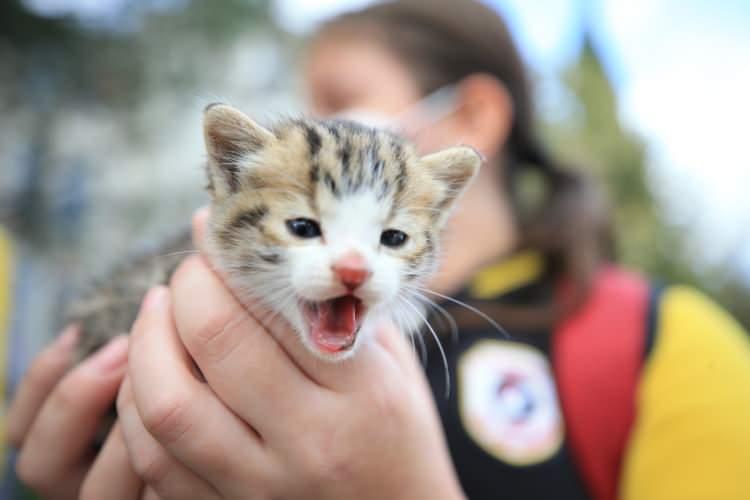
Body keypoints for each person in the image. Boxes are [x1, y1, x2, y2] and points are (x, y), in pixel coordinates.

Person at [7, 1, 750, 499]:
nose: (312, 131)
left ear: (469, 117)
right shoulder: (245, 295)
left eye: (334, 100)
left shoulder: (659, 344)